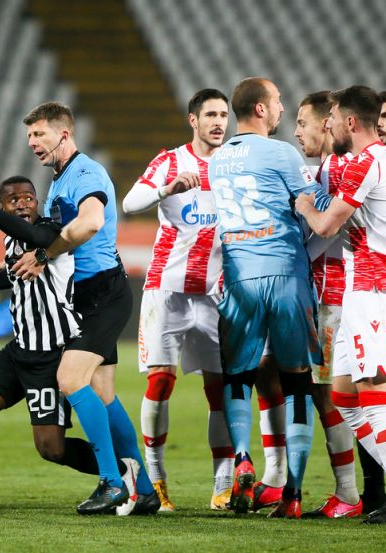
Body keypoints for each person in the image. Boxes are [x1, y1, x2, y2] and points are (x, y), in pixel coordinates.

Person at [0, 175, 146, 514]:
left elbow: (35, 240)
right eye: (12, 199)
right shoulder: (10, 242)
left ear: (38, 202)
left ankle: (123, 472)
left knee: (51, 449)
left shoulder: (52, 233)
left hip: (53, 356)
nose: (21, 203)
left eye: (27, 197)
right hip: (20, 351)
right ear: (5, 205)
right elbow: (14, 272)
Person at [0, 102, 155, 515]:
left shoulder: (85, 174)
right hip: (90, 294)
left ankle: (111, 482)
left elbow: (88, 223)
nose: (32, 142)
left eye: (40, 134)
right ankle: (144, 487)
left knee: (70, 379)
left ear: (64, 134)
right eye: (29, 136)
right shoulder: (61, 177)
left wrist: (45, 254)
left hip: (102, 293)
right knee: (102, 392)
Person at [295, 85, 386, 524]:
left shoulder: (368, 162)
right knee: (345, 396)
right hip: (363, 289)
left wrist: (305, 204)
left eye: (332, 116)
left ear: (351, 122)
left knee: (374, 394)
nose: (327, 123)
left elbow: (328, 224)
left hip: (377, 289)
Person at [209, 77, 329, 516]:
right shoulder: (282, 153)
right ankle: (293, 494)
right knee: (298, 382)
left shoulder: (217, 160)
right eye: (277, 102)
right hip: (284, 274)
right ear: (260, 109)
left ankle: (242, 458)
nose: (282, 109)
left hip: (238, 278)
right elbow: (315, 208)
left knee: (238, 377)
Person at [121, 89, 233, 511]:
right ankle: (157, 482)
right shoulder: (171, 161)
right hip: (166, 291)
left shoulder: (233, 166)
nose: (219, 122)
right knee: (160, 381)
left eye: (224, 114)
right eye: (210, 115)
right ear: (193, 120)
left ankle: (222, 486)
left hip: (215, 294)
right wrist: (167, 189)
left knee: (218, 388)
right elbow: (130, 203)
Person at [294, 91, 362, 518]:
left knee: (333, 396)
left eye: (304, 123)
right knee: (325, 394)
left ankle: (351, 494)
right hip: (323, 295)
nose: (298, 131)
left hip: (333, 296)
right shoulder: (323, 169)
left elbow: (331, 231)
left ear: (327, 124)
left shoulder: (337, 168)